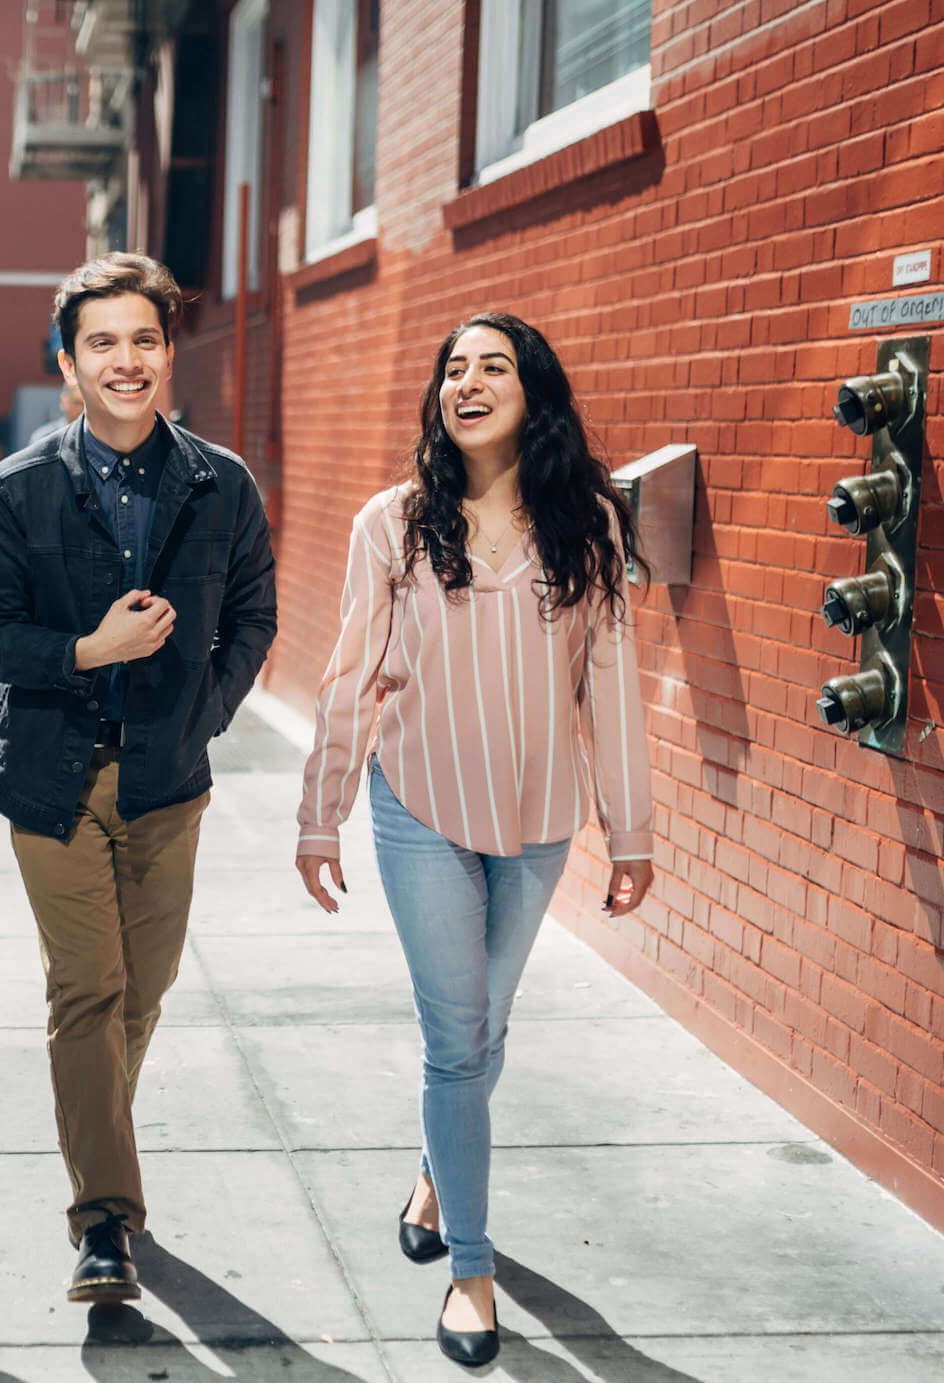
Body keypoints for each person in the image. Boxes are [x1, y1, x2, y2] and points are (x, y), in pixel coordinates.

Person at [294, 311, 655, 1368]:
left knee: (485, 1027)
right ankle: (469, 1269)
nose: (467, 381)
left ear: (531, 394)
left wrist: (627, 829)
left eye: (491, 366)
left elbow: (611, 680)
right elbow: (350, 674)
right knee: (456, 1039)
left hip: (539, 819)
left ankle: (430, 1168)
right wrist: (323, 811)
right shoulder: (394, 522)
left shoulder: (586, 519)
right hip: (420, 810)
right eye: (451, 367)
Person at [0, 252, 277, 1304]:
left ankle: (94, 1135)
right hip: (52, 781)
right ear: (68, 362)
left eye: (142, 338)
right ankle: (104, 1222)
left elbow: (251, 618)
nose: (125, 358)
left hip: (165, 778)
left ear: (166, 352)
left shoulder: (218, 482)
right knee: (87, 991)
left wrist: (201, 715)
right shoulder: (16, 489)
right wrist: (87, 654)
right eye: (101, 341)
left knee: (142, 994)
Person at [25, 378, 85, 449]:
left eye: (87, 404)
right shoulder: (43, 438)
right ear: (63, 402)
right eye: (77, 403)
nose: (82, 409)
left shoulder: (96, 439)